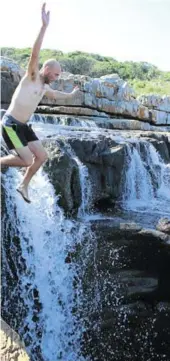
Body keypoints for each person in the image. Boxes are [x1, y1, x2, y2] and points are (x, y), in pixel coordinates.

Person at [0, 3, 79, 203]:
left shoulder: (44, 86)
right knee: (26, 160)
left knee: (42, 156)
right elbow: (34, 53)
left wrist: (70, 96)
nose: (56, 77)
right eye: (55, 74)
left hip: (24, 127)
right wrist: (43, 27)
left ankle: (23, 185)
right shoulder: (32, 76)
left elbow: (56, 95)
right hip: (10, 124)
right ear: (46, 69)